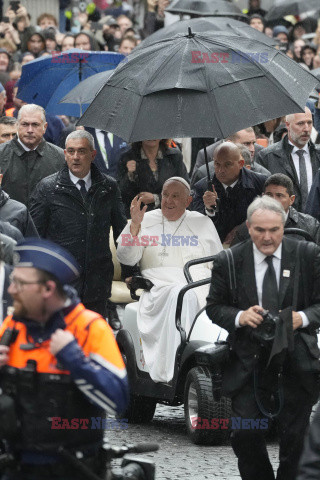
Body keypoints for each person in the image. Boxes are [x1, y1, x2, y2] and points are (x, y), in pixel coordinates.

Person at [206, 195, 320, 480]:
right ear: (248, 226)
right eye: (259, 230)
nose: (267, 238)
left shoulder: (307, 254)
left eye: (274, 230)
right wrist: (240, 316)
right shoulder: (229, 260)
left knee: (296, 439)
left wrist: (301, 318)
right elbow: (214, 307)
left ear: (284, 226)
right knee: (244, 433)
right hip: (248, 362)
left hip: (296, 362)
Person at [0, 238, 128, 479]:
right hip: (16, 467)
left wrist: (74, 360)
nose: (11, 290)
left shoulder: (90, 328)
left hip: (73, 469)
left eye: (19, 283)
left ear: (47, 289)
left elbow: (118, 400)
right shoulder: (11, 327)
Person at [117, 177, 222, 383]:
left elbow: (218, 263)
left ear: (188, 201)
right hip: (159, 285)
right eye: (165, 195)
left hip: (200, 283)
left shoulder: (203, 222)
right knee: (182, 294)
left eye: (175, 196)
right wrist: (135, 227)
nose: (168, 201)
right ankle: (178, 361)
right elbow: (126, 257)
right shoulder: (145, 219)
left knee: (196, 296)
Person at [30, 130, 129, 324]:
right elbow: (35, 237)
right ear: (65, 154)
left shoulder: (108, 187)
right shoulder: (47, 188)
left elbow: (120, 231)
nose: (75, 157)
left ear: (92, 155)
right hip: (60, 280)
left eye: (81, 151)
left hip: (97, 281)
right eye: (71, 151)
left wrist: (130, 272)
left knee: (93, 341)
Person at [192, 142, 266, 243]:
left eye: (228, 164)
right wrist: (209, 209)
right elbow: (196, 225)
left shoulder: (260, 183)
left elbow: (269, 215)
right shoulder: (202, 187)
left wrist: (243, 228)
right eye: (217, 164)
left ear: (241, 164)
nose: (221, 170)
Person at [0, 104, 65, 208]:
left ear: (45, 127)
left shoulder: (60, 157)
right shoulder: (1, 154)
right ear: (17, 125)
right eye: (25, 124)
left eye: (35, 124)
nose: (30, 130)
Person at [257, 107, 320, 211]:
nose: (306, 129)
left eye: (309, 123)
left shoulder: (318, 154)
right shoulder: (267, 156)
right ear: (287, 125)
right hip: (282, 221)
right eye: (300, 123)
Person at [232, 173, 320, 245]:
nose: (273, 200)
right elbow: (235, 260)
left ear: (291, 199)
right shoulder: (249, 226)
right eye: (269, 195)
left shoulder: (310, 225)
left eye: (279, 195)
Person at [118, 138, 189, 218]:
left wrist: (156, 198)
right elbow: (120, 194)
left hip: (169, 216)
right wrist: (129, 175)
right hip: (140, 218)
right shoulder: (128, 157)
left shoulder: (174, 156)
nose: (151, 137)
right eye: (147, 131)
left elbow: (185, 189)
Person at [191, 127, 270, 187]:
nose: (252, 149)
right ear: (229, 143)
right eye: (246, 144)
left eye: (254, 143)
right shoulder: (204, 173)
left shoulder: (263, 174)